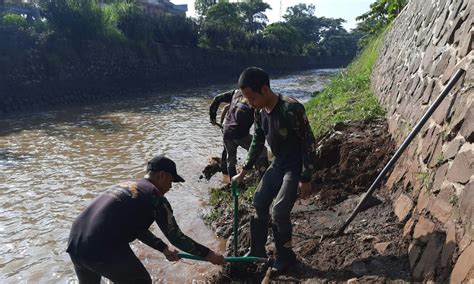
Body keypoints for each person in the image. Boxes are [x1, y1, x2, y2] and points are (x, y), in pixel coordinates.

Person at [67, 155, 225, 283]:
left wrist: (162, 248)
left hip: (75, 241)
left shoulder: (128, 185)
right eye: (171, 181)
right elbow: (177, 238)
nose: (170, 187)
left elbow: (135, 229)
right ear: (162, 175)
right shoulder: (154, 196)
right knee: (140, 281)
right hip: (101, 245)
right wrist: (209, 255)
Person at [233, 67, 317, 272]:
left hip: (295, 166)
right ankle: (257, 250)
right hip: (278, 163)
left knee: (279, 212)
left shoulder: (291, 108)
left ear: (263, 89)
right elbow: (257, 142)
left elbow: (309, 143)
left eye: (251, 97)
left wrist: (306, 177)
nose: (250, 103)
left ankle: (286, 256)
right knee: (259, 201)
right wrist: (244, 170)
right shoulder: (259, 112)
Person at [209, 89, 268, 181]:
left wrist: (212, 117)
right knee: (262, 150)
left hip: (226, 131)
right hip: (240, 134)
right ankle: (263, 178)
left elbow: (217, 99)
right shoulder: (256, 98)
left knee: (231, 160)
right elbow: (260, 129)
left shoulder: (235, 93)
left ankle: (234, 183)